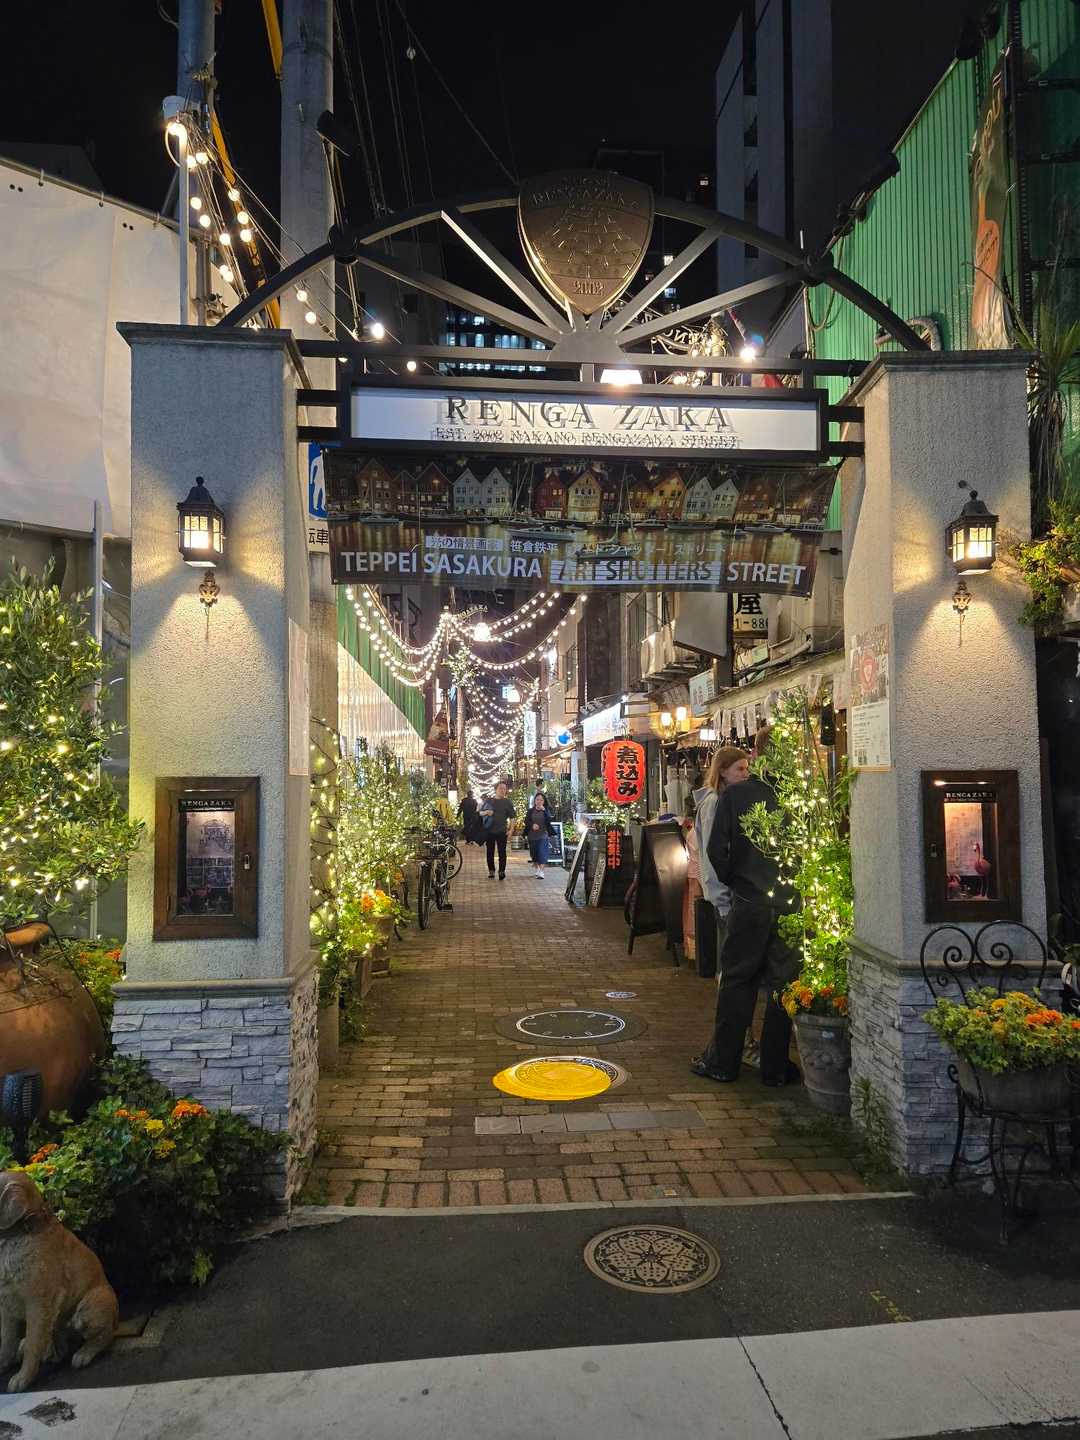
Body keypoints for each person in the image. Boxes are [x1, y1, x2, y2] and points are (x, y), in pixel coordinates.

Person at [692, 725, 801, 1088]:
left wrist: (736, 880)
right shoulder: (798, 797)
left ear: (756, 754)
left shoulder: (737, 796)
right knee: (783, 985)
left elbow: (716, 850)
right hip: (789, 902)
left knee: (738, 981)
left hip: (750, 901)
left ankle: (723, 1063)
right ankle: (775, 1066)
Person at [692, 745, 751, 959]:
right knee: (729, 956)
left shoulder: (727, 800)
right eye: (740, 769)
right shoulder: (714, 803)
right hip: (725, 896)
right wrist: (722, 900)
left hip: (732, 893)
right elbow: (712, 853)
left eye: (747, 768)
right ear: (723, 771)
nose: (746, 774)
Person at [479, 781, 515, 880]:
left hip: (502, 831)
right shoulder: (489, 801)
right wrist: (487, 812)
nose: (503, 791)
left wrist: (511, 830)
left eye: (504, 789)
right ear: (496, 790)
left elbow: (512, 817)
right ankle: (491, 870)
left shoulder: (507, 802)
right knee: (490, 851)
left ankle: (501, 871)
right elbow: (480, 813)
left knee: (502, 852)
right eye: (500, 788)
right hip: (489, 831)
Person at [525, 791, 556, 876]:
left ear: (544, 801)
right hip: (532, 836)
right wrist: (532, 825)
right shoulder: (530, 811)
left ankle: (541, 871)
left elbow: (549, 820)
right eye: (537, 800)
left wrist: (545, 811)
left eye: (541, 800)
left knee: (542, 852)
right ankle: (538, 868)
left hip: (543, 835)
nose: (539, 801)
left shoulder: (546, 811)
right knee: (534, 854)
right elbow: (526, 821)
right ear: (535, 801)